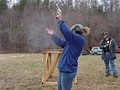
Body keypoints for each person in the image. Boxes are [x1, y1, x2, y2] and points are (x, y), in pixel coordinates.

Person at [46, 12, 90, 90]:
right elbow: (61, 43)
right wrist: (53, 35)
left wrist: (60, 20)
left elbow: (66, 32)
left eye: (72, 30)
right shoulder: (72, 41)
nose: (71, 32)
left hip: (68, 70)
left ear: (75, 30)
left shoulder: (78, 39)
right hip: (63, 69)